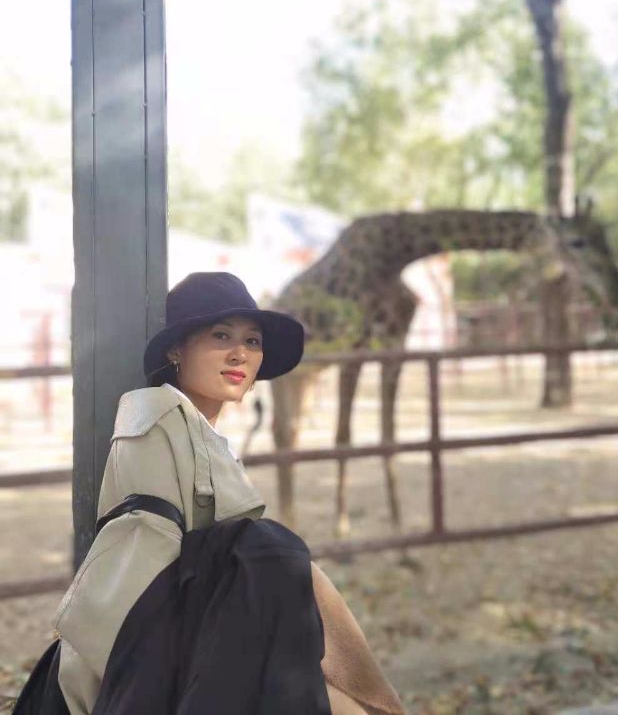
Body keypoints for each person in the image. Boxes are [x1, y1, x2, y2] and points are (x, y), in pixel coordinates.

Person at [35, 272, 404, 715]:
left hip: (219, 642)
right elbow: (140, 569)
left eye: (252, 341)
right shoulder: (155, 421)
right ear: (176, 349)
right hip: (167, 660)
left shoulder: (198, 431)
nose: (239, 353)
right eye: (221, 336)